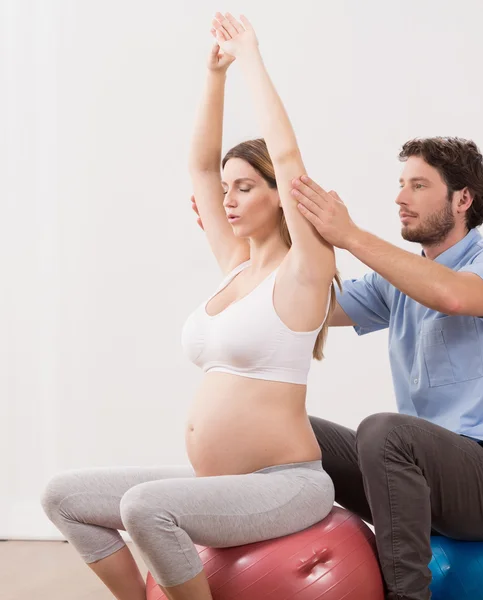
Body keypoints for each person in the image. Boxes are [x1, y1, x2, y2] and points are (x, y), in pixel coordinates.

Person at [41, 13, 339, 600]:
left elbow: (286, 152)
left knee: (146, 508)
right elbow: (200, 167)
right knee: (63, 497)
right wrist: (214, 76)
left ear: (281, 196)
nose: (226, 199)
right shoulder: (234, 264)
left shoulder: (305, 271)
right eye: (227, 188)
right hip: (220, 482)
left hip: (285, 484)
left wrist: (250, 55)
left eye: (246, 186)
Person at [283, 137, 483, 600]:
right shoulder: (396, 282)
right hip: (425, 483)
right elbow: (305, 307)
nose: (400, 198)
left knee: (386, 432)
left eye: (419, 185)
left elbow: (448, 294)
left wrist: (349, 235)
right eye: (401, 184)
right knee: (284, 426)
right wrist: (263, 234)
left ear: (462, 199)